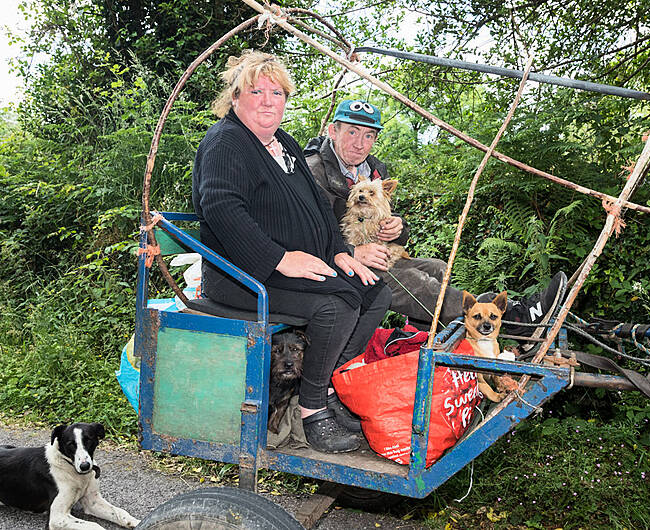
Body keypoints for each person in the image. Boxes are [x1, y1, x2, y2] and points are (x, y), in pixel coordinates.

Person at [192, 52, 390, 454]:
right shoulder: (226, 142)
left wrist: (338, 251)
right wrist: (281, 259)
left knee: (375, 291)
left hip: (283, 265)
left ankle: (327, 385)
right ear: (235, 98)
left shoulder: (283, 143)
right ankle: (313, 409)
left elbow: (318, 205)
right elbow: (222, 209)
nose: (268, 100)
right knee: (334, 305)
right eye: (256, 91)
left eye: (277, 92)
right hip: (241, 274)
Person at [304, 99, 567, 337]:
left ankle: (419, 338)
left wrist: (398, 228)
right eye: (352, 132)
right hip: (336, 264)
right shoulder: (312, 171)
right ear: (333, 131)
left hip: (379, 255)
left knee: (437, 268)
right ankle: (510, 318)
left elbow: (392, 220)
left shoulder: (373, 170)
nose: (360, 143)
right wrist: (352, 251)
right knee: (413, 283)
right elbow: (304, 233)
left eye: (369, 135)